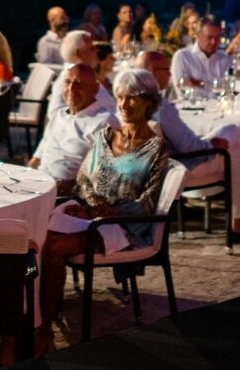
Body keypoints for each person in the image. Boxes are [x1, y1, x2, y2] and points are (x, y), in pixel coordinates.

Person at [35, 69, 170, 354]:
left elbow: (146, 203)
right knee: (36, 239)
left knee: (54, 247)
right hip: (92, 216)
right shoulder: (107, 135)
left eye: (132, 98)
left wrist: (101, 213)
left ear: (148, 101)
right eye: (120, 97)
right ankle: (32, 314)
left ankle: (43, 329)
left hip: (125, 226)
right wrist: (89, 203)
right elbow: (83, 180)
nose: (123, 104)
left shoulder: (157, 148)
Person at [137, 49, 240, 240]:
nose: (170, 74)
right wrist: (211, 146)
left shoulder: (134, 102)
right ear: (153, 73)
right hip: (182, 168)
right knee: (233, 139)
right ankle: (237, 221)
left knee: (232, 141)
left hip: (161, 169)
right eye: (166, 70)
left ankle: (238, 221)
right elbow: (189, 148)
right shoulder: (160, 105)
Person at [28, 63, 115, 195]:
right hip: (37, 185)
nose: (71, 88)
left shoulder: (104, 122)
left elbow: (102, 174)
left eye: (79, 83)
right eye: (67, 82)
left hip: (67, 194)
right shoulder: (59, 115)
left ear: (95, 89)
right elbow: (36, 160)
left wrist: (71, 186)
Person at [46, 30, 113, 119]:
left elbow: (110, 106)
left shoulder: (85, 74)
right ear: (79, 54)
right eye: (92, 48)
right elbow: (54, 113)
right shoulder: (69, 78)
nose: (97, 50)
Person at [170, 16, 229, 91]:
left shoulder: (224, 58)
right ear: (198, 35)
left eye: (217, 37)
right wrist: (215, 87)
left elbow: (231, 89)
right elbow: (182, 91)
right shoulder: (182, 57)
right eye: (209, 37)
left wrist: (198, 83)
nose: (213, 42)